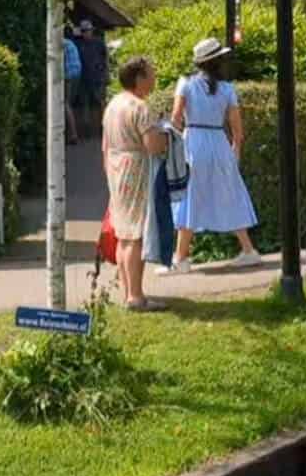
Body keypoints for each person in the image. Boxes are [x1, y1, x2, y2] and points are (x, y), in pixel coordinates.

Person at [166, 39, 261, 271]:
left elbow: (176, 118)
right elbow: (237, 128)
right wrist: (235, 149)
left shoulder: (185, 84)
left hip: (194, 142)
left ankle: (181, 258)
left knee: (189, 196)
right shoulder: (228, 89)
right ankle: (248, 249)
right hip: (219, 143)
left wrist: (171, 144)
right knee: (229, 194)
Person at [101, 56, 171, 311]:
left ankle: (128, 292)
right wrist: (167, 135)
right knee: (135, 235)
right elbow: (153, 146)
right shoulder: (140, 107)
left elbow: (105, 144)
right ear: (139, 78)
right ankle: (136, 296)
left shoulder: (113, 104)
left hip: (116, 166)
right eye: (151, 73)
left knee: (123, 233)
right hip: (136, 169)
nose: (154, 77)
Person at [76, 20, 109, 138]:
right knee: (85, 105)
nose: (86, 33)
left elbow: (106, 60)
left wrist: (106, 75)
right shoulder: (78, 44)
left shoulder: (99, 43)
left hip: (98, 78)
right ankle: (87, 131)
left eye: (88, 30)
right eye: (84, 31)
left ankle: (104, 128)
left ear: (92, 31)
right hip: (84, 79)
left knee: (100, 103)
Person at [62, 28, 83, 145]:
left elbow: (61, 60)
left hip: (68, 75)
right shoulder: (71, 43)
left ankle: (73, 134)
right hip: (77, 74)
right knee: (69, 103)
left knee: (66, 103)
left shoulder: (62, 43)